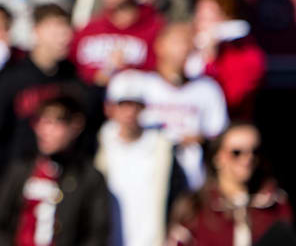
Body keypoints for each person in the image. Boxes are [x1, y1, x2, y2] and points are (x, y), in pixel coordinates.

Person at [0, 4, 87, 202]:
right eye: (55, 30)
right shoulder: (13, 77)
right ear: (36, 31)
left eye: (66, 30)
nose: (63, 37)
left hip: (61, 183)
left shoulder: (73, 79)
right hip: (16, 182)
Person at [0, 95, 110, 246]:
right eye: (41, 122)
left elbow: (97, 233)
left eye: (54, 123)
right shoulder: (20, 170)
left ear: (75, 125)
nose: (45, 131)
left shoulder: (88, 177)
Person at [111, 23, 228, 190]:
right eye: (178, 41)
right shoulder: (137, 83)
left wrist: (200, 139)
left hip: (191, 180)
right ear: (159, 45)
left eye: (188, 42)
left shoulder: (207, 89)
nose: (184, 48)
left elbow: (218, 136)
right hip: (144, 176)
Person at [95, 73, 185, 246]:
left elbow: (177, 194)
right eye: (123, 104)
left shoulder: (162, 147)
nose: (129, 112)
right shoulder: (99, 143)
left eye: (135, 105)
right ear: (110, 108)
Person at [169, 123, 293, 245]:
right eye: (236, 153)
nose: (247, 159)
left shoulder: (277, 205)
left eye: (255, 152)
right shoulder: (195, 207)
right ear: (217, 158)